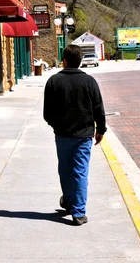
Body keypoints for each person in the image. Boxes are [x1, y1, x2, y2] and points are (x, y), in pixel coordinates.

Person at [43, 44, 107, 226]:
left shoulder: (54, 81)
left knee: (65, 169)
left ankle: (70, 202)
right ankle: (78, 212)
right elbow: (98, 109)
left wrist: (57, 125)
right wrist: (100, 129)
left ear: (64, 61)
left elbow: (47, 113)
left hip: (62, 135)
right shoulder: (90, 82)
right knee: (80, 171)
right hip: (84, 135)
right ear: (80, 62)